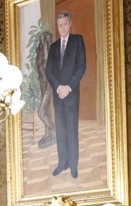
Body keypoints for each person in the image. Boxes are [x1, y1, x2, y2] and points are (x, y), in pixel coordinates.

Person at [45, 11, 86, 179]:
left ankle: (73, 165)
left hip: (71, 94)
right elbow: (49, 70)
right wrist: (58, 88)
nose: (62, 27)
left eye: (65, 24)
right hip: (58, 95)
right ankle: (62, 163)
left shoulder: (77, 40)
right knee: (61, 130)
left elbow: (81, 67)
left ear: (70, 24)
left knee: (71, 129)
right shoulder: (54, 46)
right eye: (59, 25)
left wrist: (67, 87)